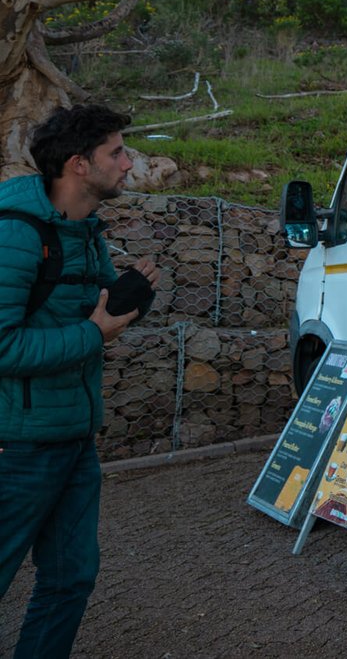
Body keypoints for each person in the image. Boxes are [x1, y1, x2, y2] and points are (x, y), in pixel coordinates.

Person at [0, 105, 162, 658]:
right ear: (78, 165)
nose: (128, 162)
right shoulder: (16, 233)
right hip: (16, 446)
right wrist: (94, 334)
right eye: (115, 152)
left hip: (73, 438)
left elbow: (89, 312)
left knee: (70, 580)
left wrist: (128, 296)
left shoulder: (86, 230)